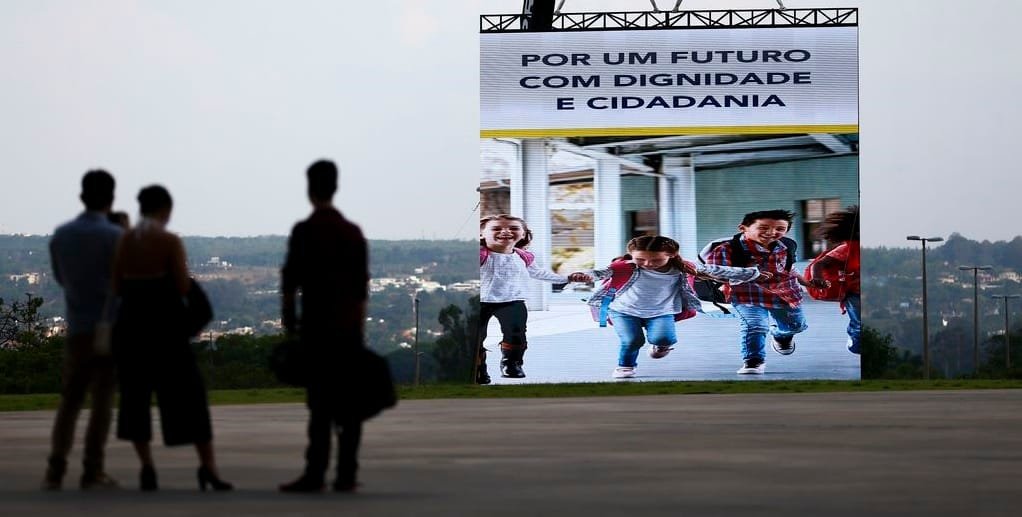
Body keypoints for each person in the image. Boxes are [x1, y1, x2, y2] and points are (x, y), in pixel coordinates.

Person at [111, 185, 232, 491]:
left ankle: (147, 467)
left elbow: (116, 287)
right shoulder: (168, 241)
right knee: (191, 399)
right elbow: (181, 285)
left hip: (132, 329)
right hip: (165, 331)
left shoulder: (125, 241)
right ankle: (208, 467)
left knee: (135, 400)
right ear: (165, 209)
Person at [279, 160, 369, 493]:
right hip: (347, 330)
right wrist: (358, 333)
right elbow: (361, 290)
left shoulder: (304, 232)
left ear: (310, 189)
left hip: (315, 330)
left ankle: (315, 472)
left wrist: (291, 328)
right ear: (335, 187)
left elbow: (289, 285)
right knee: (348, 407)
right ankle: (346, 472)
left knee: (319, 406)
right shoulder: (352, 232)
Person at [576, 235, 761, 379]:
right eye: (641, 259)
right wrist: (583, 275)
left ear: (671, 255)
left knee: (665, 338)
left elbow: (717, 270)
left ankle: (661, 346)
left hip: (661, 312)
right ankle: (626, 366)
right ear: (632, 255)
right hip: (623, 310)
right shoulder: (624, 267)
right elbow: (599, 272)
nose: (648, 264)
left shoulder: (683, 267)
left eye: (656, 260)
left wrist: (753, 273)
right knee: (632, 340)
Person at [43, 170, 123, 490]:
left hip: (77, 327)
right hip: (107, 328)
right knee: (101, 402)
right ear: (111, 198)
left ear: (82, 197)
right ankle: (92, 469)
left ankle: (56, 466)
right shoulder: (114, 237)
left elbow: (62, 280)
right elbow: (122, 285)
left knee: (70, 401)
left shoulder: (61, 235)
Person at [703, 209, 825, 375]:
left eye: (779, 229)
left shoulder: (786, 246)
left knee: (796, 326)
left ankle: (780, 336)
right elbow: (712, 272)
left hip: (785, 294)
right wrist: (749, 274)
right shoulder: (726, 249)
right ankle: (753, 361)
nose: (771, 233)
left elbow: (789, 269)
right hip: (746, 295)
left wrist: (808, 283)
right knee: (755, 326)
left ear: (787, 230)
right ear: (743, 228)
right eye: (764, 227)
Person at [477, 214, 572, 383]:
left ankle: (511, 364)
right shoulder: (480, 254)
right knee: (475, 337)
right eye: (496, 228)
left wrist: (567, 278)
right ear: (482, 234)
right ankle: (478, 369)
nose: (505, 231)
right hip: (478, 302)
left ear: (523, 234)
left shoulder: (523, 256)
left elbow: (540, 273)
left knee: (516, 335)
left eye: (513, 228)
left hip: (512, 300)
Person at [811, 206, 861, 354]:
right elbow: (819, 264)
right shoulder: (848, 249)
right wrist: (817, 278)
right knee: (859, 324)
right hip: (853, 292)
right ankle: (855, 338)